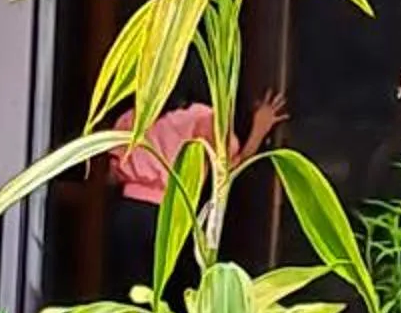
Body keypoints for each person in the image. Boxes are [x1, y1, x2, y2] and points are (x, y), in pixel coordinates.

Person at [105, 88, 287, 297]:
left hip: (128, 214)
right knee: (174, 296)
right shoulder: (201, 117)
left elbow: (112, 176)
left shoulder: (130, 118)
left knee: (130, 295)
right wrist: (259, 130)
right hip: (173, 216)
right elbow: (229, 168)